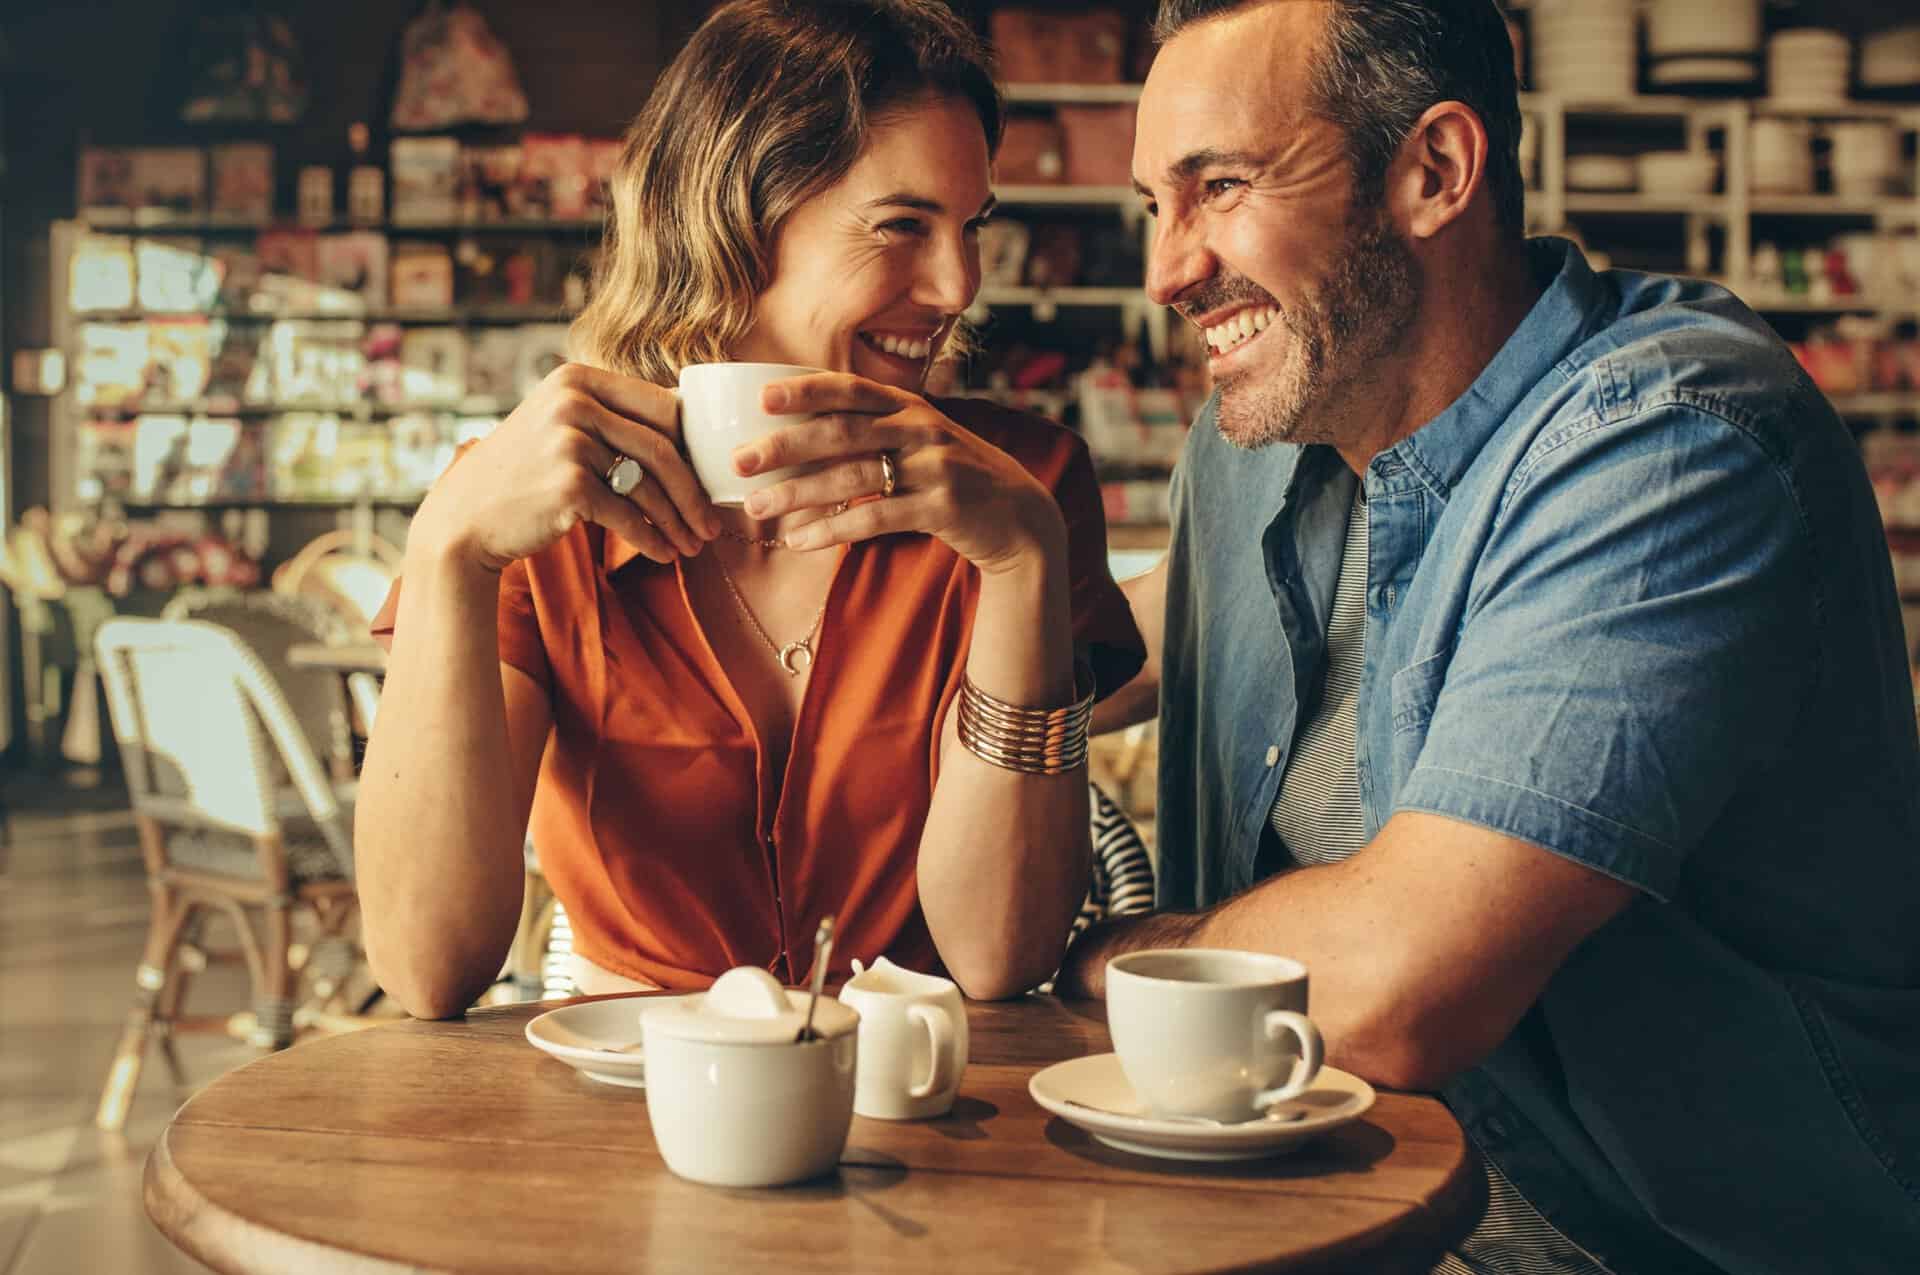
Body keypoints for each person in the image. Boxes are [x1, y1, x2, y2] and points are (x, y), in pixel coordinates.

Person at [1066, 2, 1920, 1272]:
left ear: (1435, 172)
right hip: (1335, 1215)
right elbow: (1132, 638)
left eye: (1222, 187)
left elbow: (1397, 988)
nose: (1169, 271)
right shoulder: (1254, 446)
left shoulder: (1671, 444)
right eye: (1156, 205)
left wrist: (1107, 952)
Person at [356, 0, 1143, 1017]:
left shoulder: (1022, 489)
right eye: (902, 225)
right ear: (732, 217)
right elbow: (425, 967)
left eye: (972, 227)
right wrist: (449, 551)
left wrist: (1025, 562)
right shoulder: (534, 504)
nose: (960, 284)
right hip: (626, 1115)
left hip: (936, 1127)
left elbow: (997, 955)